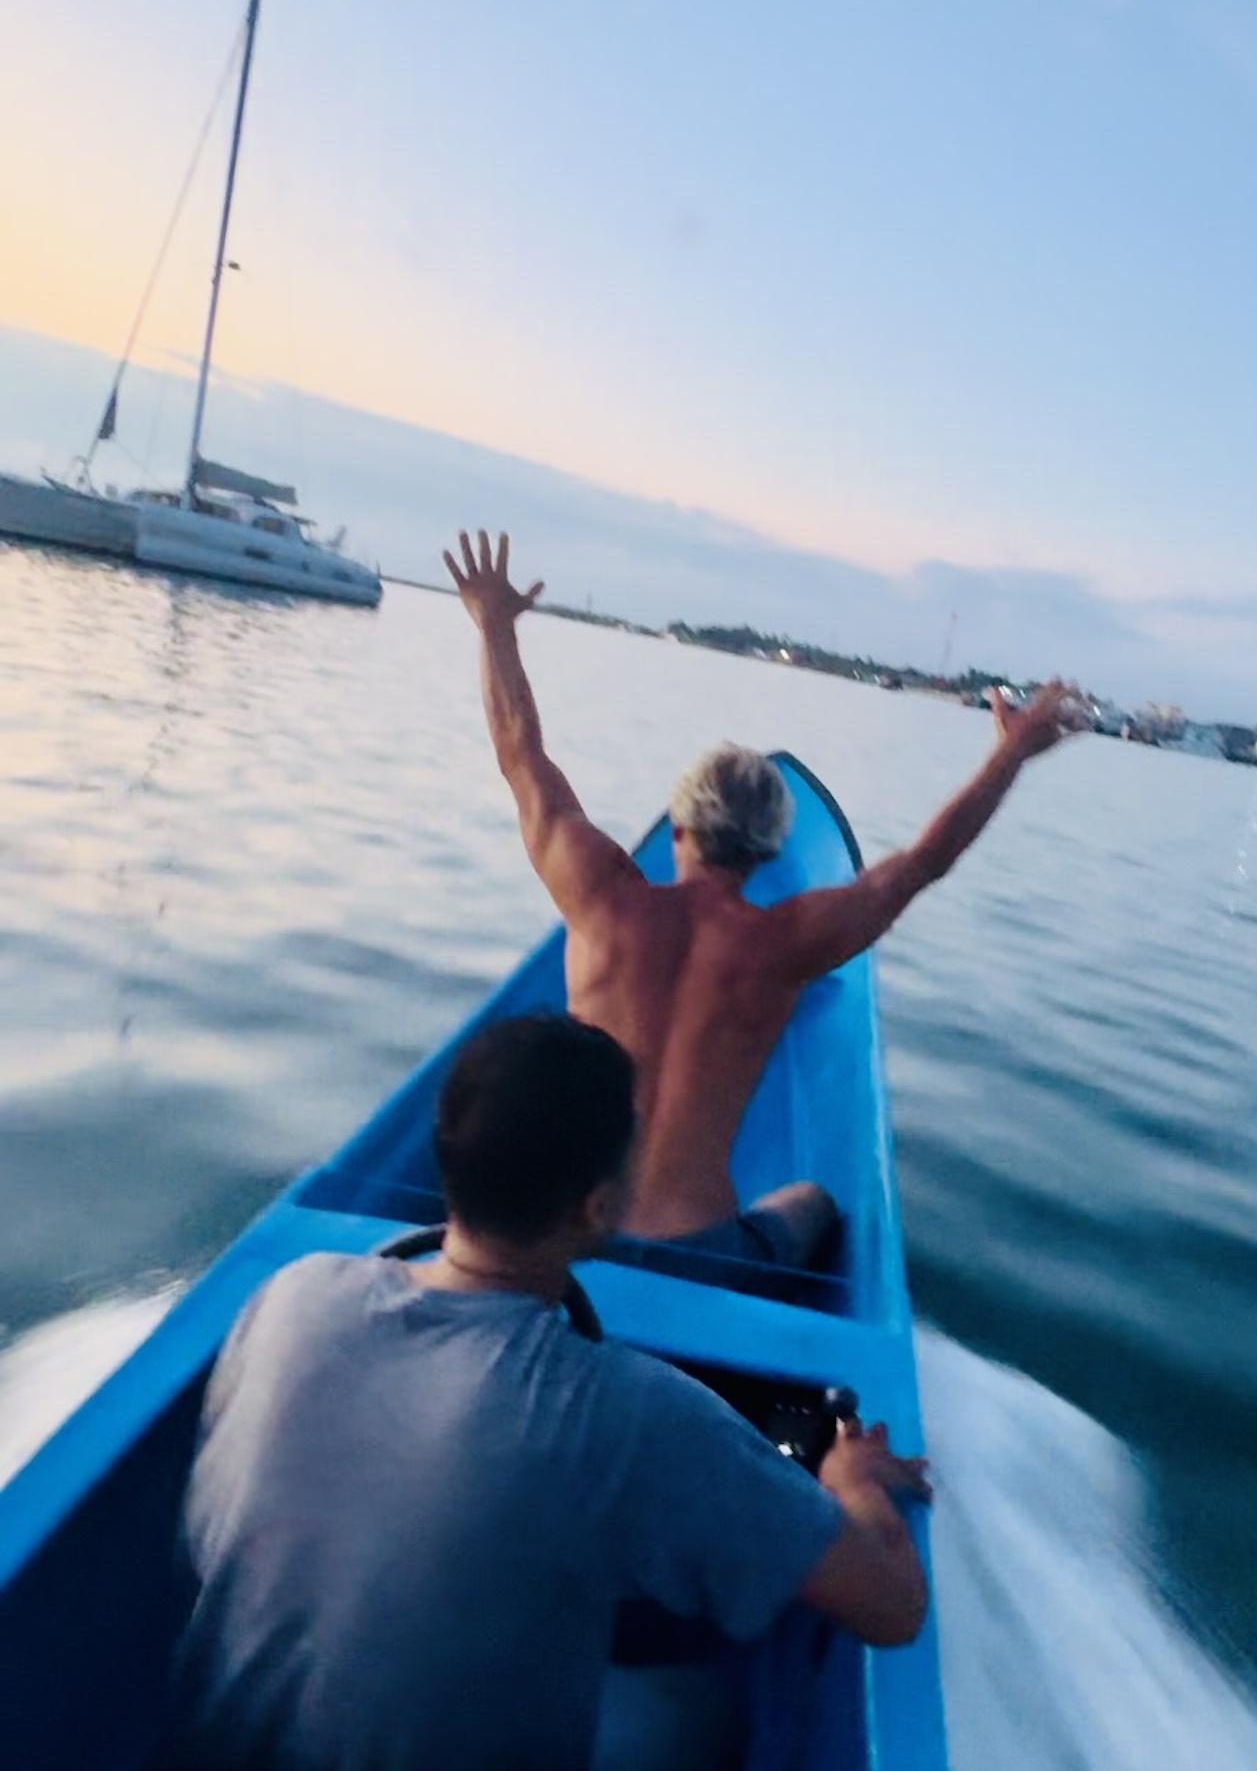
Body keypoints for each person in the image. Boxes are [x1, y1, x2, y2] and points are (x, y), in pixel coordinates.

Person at [172, 1013, 928, 1771]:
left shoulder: (295, 1294)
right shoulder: (627, 1409)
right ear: (600, 1206)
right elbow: (891, 1606)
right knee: (705, 1713)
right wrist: (851, 1480)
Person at [446, 529, 1085, 1268]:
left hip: (566, 1236)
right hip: (704, 1251)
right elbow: (921, 864)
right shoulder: (789, 942)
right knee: (811, 1201)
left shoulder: (597, 894)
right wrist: (1010, 752)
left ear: (677, 826)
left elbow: (520, 753)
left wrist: (493, 626)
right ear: (770, 850)